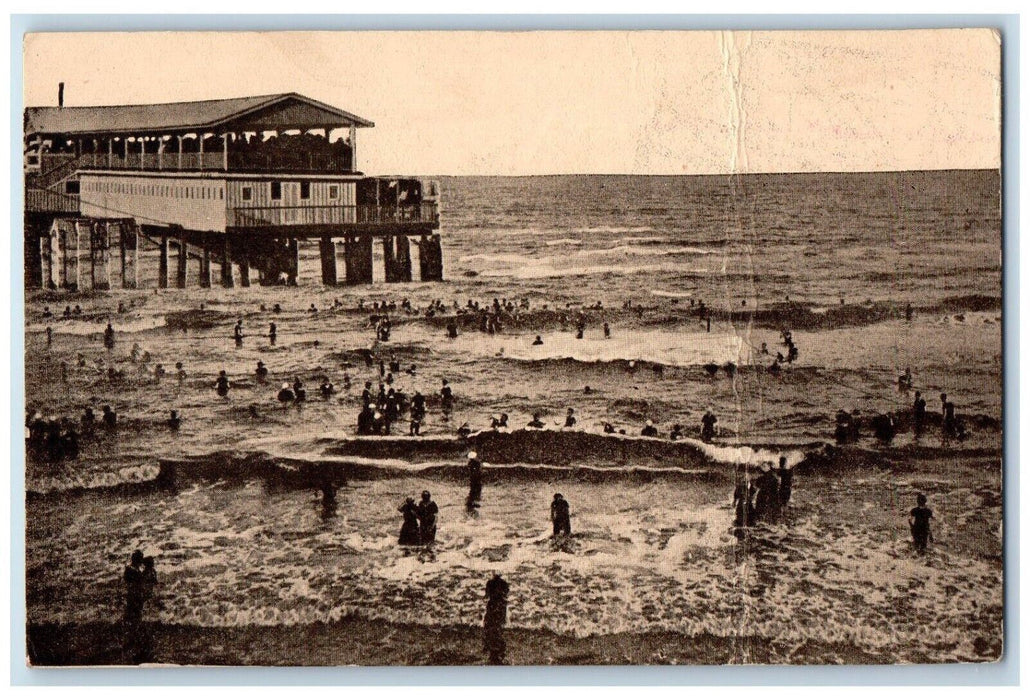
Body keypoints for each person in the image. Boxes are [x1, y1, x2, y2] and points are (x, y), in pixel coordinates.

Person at [483, 574, 509, 665]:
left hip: (492, 606)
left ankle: (490, 648)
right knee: (498, 627)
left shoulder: (490, 583)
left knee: (490, 626)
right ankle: (498, 651)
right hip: (501, 607)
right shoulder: (504, 584)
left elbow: (486, 596)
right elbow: (506, 595)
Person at [123, 550, 145, 624]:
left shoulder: (130, 569)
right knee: (135, 611)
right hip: (135, 592)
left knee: (132, 610)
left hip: (133, 592)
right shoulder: (134, 570)